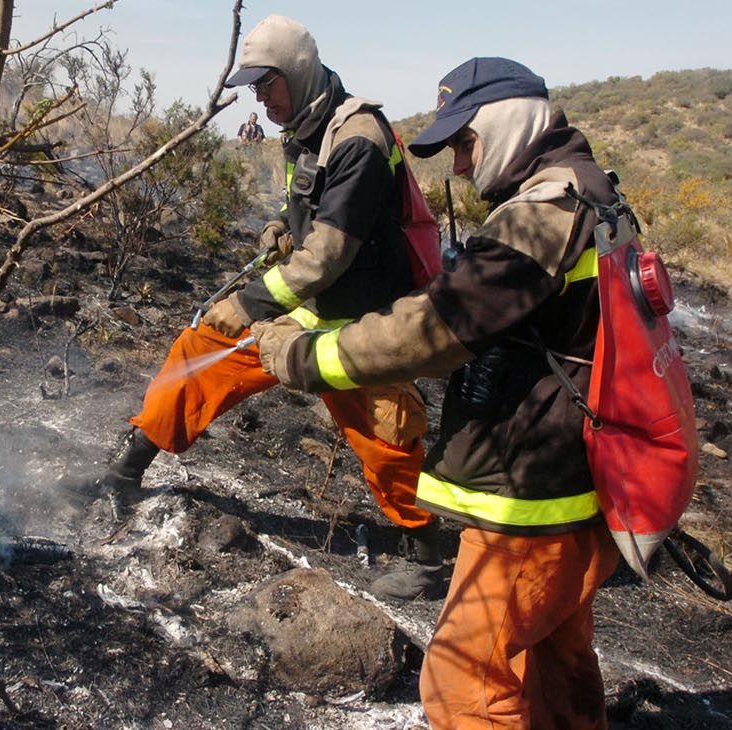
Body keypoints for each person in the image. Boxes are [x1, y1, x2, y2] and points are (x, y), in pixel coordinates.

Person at [253, 57, 622, 728]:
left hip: (533, 499)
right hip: (578, 486)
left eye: (465, 142)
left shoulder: (544, 215)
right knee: (554, 662)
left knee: (462, 682)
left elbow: (434, 331)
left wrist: (304, 357)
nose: (459, 164)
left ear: (507, 122)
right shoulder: (592, 192)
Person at [70, 15, 446, 600]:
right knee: (201, 349)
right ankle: (126, 473)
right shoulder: (305, 126)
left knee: (386, 434)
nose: (259, 99)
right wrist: (280, 224)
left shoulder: (358, 139)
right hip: (314, 305)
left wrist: (248, 304)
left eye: (266, 85)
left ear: (296, 73)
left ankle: (425, 555)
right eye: (254, 88)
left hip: (367, 318)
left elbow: (328, 256)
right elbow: (310, 208)